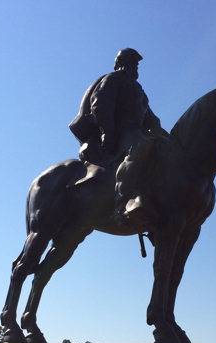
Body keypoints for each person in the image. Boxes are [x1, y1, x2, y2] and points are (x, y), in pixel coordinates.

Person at [69, 48, 167, 225]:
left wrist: (167, 138)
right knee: (141, 147)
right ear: (122, 62)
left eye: (136, 62)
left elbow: (150, 118)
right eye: (133, 61)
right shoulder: (113, 79)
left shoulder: (138, 90)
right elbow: (100, 104)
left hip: (137, 132)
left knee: (165, 152)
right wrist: (107, 131)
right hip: (121, 133)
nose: (136, 65)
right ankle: (122, 205)